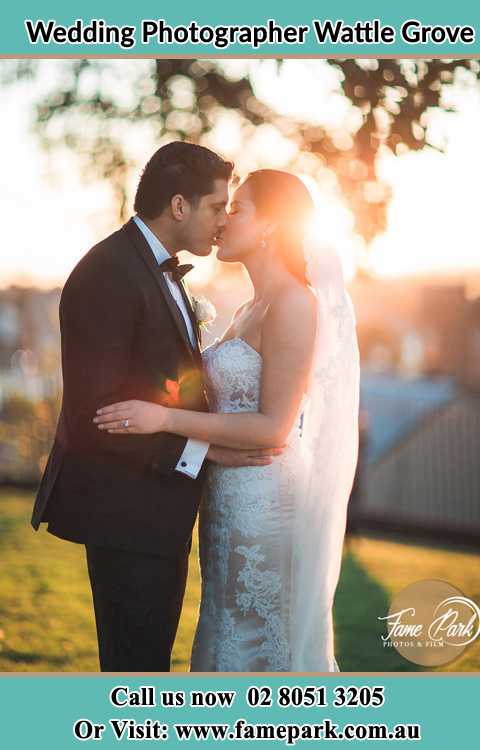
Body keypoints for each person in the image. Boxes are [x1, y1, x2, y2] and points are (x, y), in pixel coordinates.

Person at [93, 169, 361, 671]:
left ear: (270, 227)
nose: (222, 219)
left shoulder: (293, 305)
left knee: (258, 645)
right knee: (223, 635)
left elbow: (272, 428)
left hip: (265, 503)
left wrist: (162, 419)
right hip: (224, 502)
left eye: (235, 209)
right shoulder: (247, 310)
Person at [30, 142, 283, 672]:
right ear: (178, 206)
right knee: (135, 670)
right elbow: (96, 415)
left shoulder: (152, 268)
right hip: (125, 512)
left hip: (154, 513)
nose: (221, 221)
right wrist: (202, 452)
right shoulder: (110, 273)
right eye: (217, 207)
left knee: (146, 663)